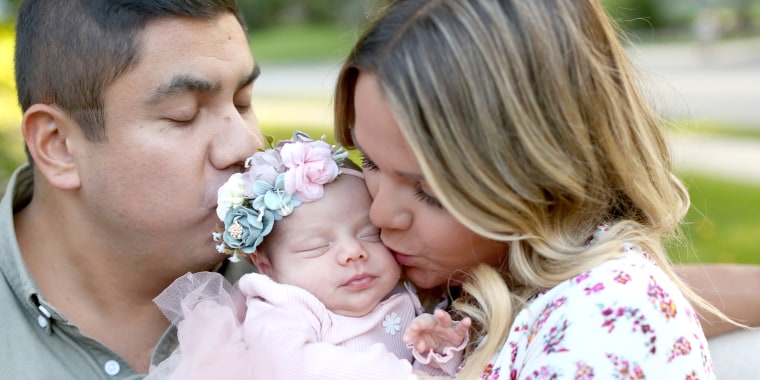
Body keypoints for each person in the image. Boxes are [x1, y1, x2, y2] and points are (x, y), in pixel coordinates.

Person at [332, 0, 739, 378]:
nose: (380, 214)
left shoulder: (606, 322)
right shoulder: (461, 283)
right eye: (369, 162)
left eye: (431, 192)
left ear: (544, 174)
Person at [1, 1, 264, 378]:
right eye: (183, 115)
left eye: (243, 102)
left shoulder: (323, 270)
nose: (246, 146)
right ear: (58, 145)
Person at [146, 132, 470, 379]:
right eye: (316, 247)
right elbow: (292, 365)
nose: (353, 252)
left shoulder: (401, 295)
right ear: (266, 265)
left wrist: (438, 353)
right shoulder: (281, 307)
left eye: (368, 234)